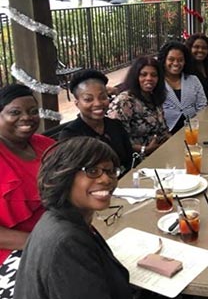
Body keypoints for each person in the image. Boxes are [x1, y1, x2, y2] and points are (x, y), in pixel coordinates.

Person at [14, 137, 133, 299]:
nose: (106, 179)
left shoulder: (60, 217)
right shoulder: (67, 242)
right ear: (64, 175)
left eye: (110, 171)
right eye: (92, 171)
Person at [0, 85, 55, 299]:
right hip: (12, 252)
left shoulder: (46, 145)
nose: (27, 118)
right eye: (15, 112)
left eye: (33, 111)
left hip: (55, 237)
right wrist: (46, 244)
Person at [60, 70, 135, 176]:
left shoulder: (115, 125)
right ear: (77, 104)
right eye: (88, 99)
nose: (98, 103)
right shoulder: (71, 136)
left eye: (103, 97)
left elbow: (130, 161)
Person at [107, 56, 170, 157]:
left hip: (160, 152)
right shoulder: (125, 101)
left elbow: (163, 130)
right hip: (136, 159)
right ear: (135, 77)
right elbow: (116, 139)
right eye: (143, 74)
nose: (149, 78)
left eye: (154, 75)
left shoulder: (153, 97)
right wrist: (145, 149)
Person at [158, 41, 207, 134]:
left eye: (180, 60)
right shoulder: (157, 82)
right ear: (164, 61)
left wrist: (198, 126)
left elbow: (202, 106)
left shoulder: (193, 80)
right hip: (166, 133)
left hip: (192, 130)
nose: (176, 63)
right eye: (171, 59)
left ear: (185, 62)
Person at [185, 33, 208, 101]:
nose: (200, 50)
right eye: (196, 47)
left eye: (204, 48)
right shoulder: (186, 69)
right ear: (189, 48)